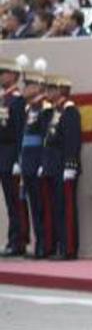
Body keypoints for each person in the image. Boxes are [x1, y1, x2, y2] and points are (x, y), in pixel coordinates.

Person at [42, 76, 81, 259]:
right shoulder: (54, 111)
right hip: (53, 166)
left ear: (61, 90)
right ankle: (58, 245)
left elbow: (72, 140)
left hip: (64, 167)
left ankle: (69, 248)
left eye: (52, 89)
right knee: (56, 208)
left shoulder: (70, 111)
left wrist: (70, 164)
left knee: (66, 209)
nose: (48, 92)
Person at [19, 67, 52, 257]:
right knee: (32, 206)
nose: (26, 88)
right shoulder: (28, 108)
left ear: (39, 86)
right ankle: (38, 241)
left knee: (41, 206)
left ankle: (44, 244)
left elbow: (46, 137)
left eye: (30, 85)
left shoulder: (44, 108)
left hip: (38, 161)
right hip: (28, 163)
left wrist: (42, 162)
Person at [0, 59, 29, 256]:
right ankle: (13, 239)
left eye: (4, 73)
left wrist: (19, 158)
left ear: (14, 75)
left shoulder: (17, 100)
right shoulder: (4, 99)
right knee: (9, 202)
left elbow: (19, 131)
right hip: (3, 154)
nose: (1, 76)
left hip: (11, 155)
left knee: (15, 201)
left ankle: (18, 240)